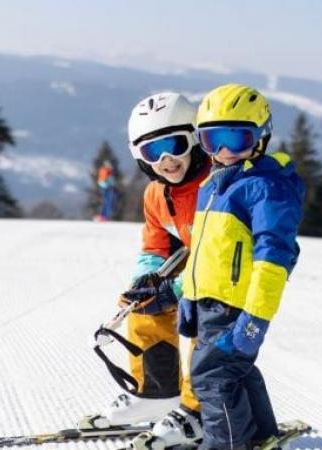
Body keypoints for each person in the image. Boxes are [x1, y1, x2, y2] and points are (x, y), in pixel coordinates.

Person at [178, 84, 304, 450]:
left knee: (213, 379)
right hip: (210, 302)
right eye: (212, 140)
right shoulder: (215, 183)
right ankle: (261, 436)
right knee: (235, 371)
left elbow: (275, 256)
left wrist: (256, 316)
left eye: (237, 140)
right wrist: (190, 294)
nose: (224, 152)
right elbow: (204, 248)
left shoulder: (266, 187)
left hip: (236, 306)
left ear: (261, 137)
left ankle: (227, 445)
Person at [85, 92, 211, 449]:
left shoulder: (217, 187)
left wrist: (175, 289)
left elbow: (219, 261)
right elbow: (156, 245)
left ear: (197, 139)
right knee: (144, 304)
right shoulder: (157, 194)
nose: (167, 160)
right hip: (197, 266)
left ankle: (199, 410)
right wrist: (147, 281)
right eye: (153, 152)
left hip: (229, 274)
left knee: (208, 318)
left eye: (175, 145)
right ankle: (157, 392)